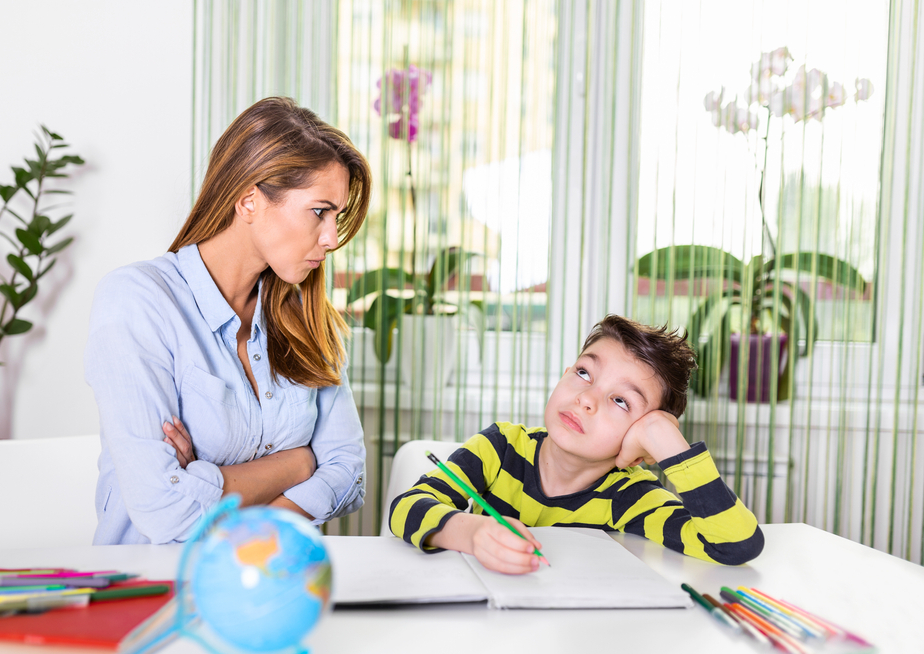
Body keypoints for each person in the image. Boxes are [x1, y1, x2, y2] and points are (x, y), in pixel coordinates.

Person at [85, 97, 371, 545]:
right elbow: (165, 510)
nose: (333, 238)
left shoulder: (308, 321)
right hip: (150, 593)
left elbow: (348, 474)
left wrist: (210, 481)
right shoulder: (138, 301)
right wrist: (297, 463)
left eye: (336, 216)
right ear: (249, 199)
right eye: (319, 211)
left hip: (264, 586)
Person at [389, 314, 764, 573]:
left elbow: (734, 545)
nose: (587, 398)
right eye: (585, 373)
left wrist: (669, 443)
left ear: (643, 440)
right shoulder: (501, 446)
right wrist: (471, 533)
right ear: (565, 375)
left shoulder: (629, 496)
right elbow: (406, 508)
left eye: (621, 401)